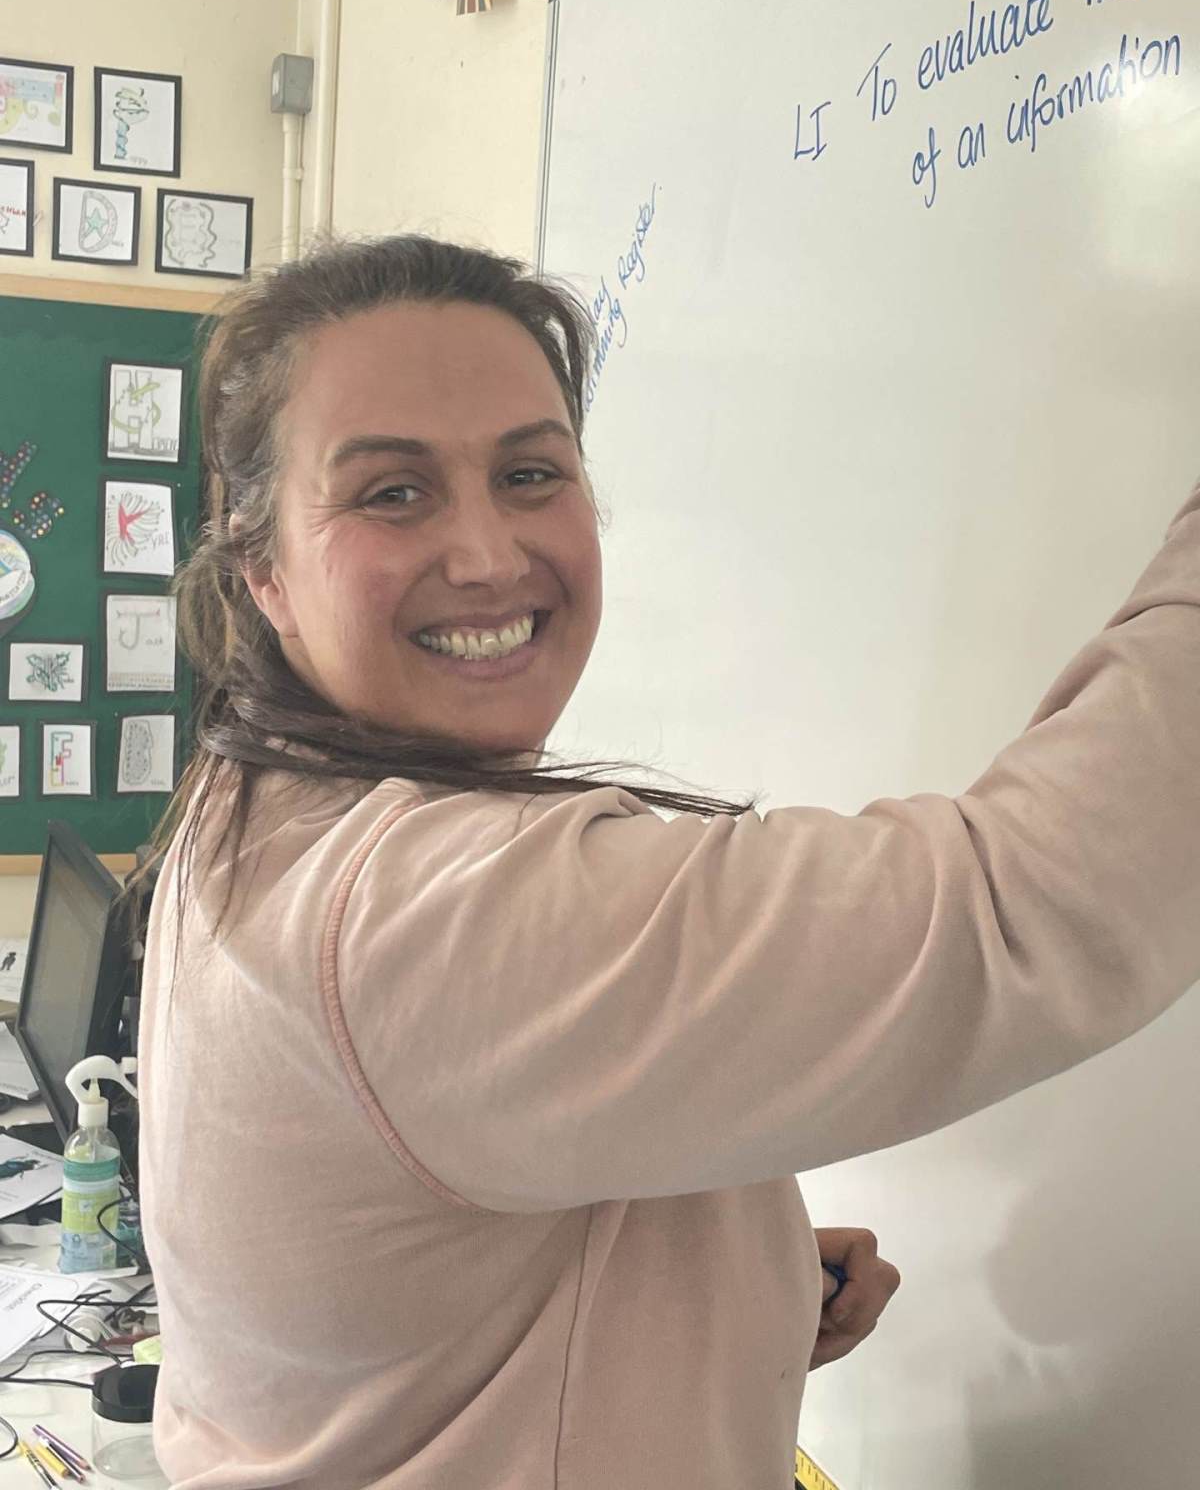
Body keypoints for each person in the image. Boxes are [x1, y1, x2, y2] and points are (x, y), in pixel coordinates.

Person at [134, 235, 1200, 1490]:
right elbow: (1029, 902)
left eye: (530, 472)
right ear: (260, 567)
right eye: (393, 493)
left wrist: (723, 1281)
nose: (487, 554)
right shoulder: (421, 907)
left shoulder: (251, 806)